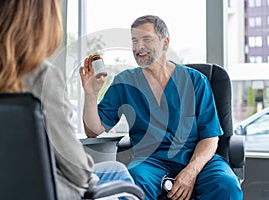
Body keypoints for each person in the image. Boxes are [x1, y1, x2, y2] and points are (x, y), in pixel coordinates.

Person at [0, 1, 134, 199]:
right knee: (118, 173)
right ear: (41, 23)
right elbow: (79, 172)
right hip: (36, 191)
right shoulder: (40, 77)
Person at [80, 15, 243, 200]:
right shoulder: (125, 82)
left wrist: (190, 172)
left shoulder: (196, 81)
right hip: (151, 161)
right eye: (134, 40)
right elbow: (93, 131)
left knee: (226, 185)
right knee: (130, 184)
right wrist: (91, 94)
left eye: (146, 39)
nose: (138, 47)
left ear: (165, 43)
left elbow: (210, 138)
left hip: (198, 160)